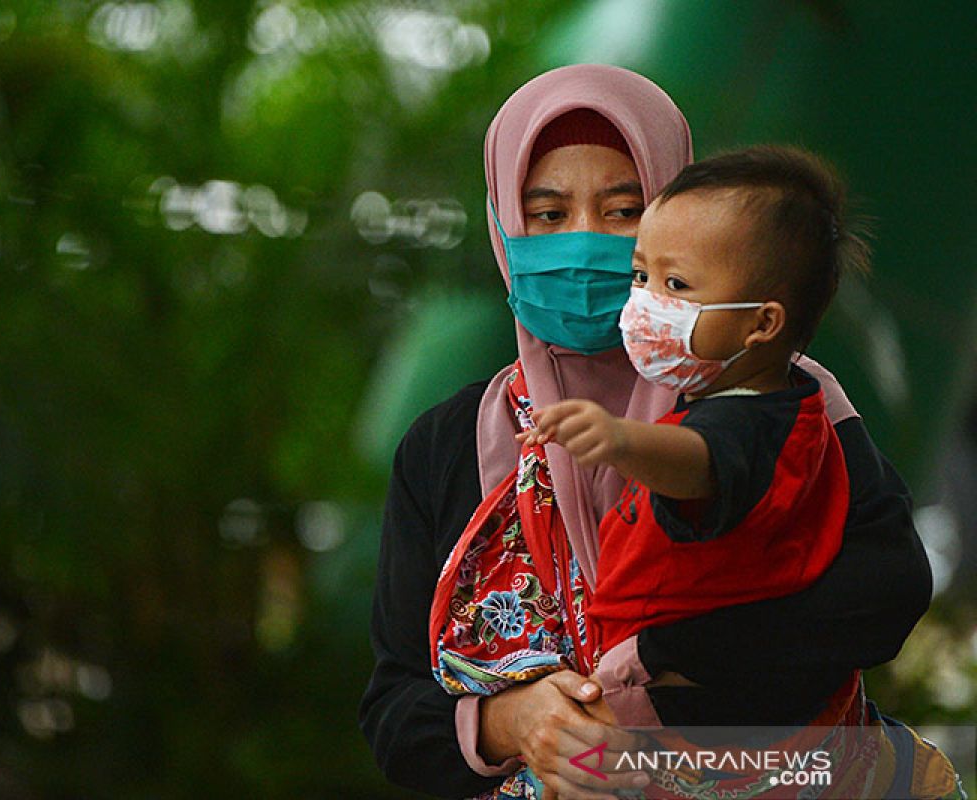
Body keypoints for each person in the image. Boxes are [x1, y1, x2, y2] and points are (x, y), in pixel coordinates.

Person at [359, 65, 946, 800]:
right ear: (503, 224)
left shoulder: (782, 395)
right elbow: (394, 713)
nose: (582, 243)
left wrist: (657, 667)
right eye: (546, 214)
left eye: (623, 210)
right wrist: (516, 723)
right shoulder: (446, 444)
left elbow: (883, 596)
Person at [523, 145, 859, 668]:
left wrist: (620, 438)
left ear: (762, 324)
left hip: (681, 699)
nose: (646, 302)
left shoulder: (761, 418)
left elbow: (700, 461)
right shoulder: (733, 398)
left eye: (675, 284)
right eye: (642, 277)